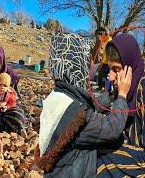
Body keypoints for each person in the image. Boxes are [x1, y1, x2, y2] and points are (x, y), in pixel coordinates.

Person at [34, 33, 132, 177]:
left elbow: (88, 105)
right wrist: (122, 96)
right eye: (86, 62)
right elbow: (111, 129)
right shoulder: (77, 115)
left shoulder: (60, 96)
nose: (90, 67)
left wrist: (111, 97)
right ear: (76, 65)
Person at [97, 34, 145, 177]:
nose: (111, 77)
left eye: (116, 69)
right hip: (131, 160)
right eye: (110, 69)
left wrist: (106, 148)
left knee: (98, 162)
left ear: (130, 67)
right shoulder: (121, 95)